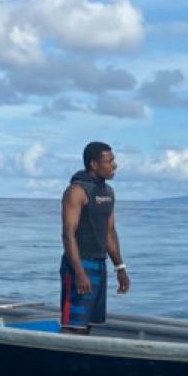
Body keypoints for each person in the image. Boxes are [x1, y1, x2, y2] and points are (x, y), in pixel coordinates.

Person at [60, 142, 129, 334]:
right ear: (94, 164)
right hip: (78, 265)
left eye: (113, 160)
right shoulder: (76, 191)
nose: (114, 165)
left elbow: (109, 232)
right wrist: (79, 272)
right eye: (109, 161)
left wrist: (120, 268)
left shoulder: (108, 193)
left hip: (99, 264)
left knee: (89, 325)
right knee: (73, 326)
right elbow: (68, 234)